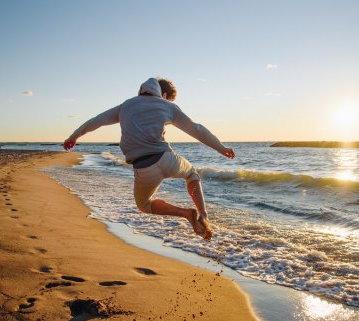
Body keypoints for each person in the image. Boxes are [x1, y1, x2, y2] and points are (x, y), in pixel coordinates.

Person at [63, 78, 235, 240]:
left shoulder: (126, 106)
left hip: (143, 168)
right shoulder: (167, 106)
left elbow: (97, 121)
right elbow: (197, 129)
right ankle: (203, 214)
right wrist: (222, 148)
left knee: (144, 205)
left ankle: (186, 214)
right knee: (191, 174)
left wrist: (73, 137)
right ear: (162, 95)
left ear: (141, 91)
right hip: (166, 158)